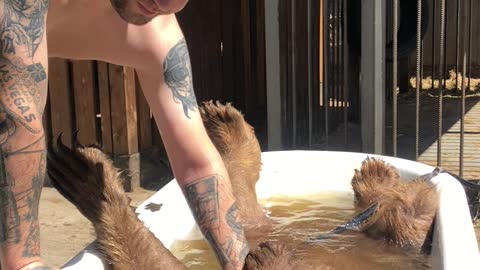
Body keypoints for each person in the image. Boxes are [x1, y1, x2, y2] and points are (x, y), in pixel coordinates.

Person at [0, 0, 249, 269]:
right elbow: (18, 126)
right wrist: (26, 264)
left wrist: (241, 263)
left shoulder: (158, 29)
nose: (168, 4)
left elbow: (197, 166)